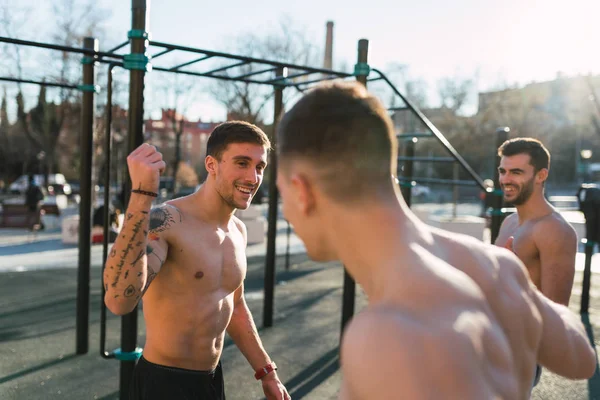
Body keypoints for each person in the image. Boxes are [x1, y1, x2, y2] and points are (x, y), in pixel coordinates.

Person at [275, 81, 595, 399]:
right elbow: (581, 359)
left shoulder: (386, 336)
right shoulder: (494, 266)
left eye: (280, 192)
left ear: (301, 190)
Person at [103, 121, 290, 400]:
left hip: (212, 381)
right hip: (163, 384)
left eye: (259, 166)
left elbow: (234, 305)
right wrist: (142, 195)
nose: (253, 177)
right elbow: (119, 301)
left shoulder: (238, 230)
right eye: (241, 163)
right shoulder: (167, 222)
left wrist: (267, 372)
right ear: (211, 165)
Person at [494, 137, 579, 389]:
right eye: (503, 171)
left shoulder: (554, 230)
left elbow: (556, 312)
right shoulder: (509, 222)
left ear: (541, 175)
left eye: (516, 172)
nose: (506, 179)